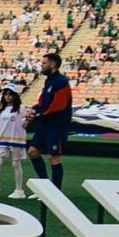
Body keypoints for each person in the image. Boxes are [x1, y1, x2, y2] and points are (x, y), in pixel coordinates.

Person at [27, 50, 73, 189]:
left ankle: (56, 191)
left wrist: (39, 115)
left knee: (54, 157)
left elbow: (59, 105)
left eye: (44, 63)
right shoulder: (49, 80)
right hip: (46, 123)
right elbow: (43, 101)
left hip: (57, 124)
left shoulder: (61, 81)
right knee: (32, 152)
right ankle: (45, 186)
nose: (42, 66)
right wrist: (34, 109)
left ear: (52, 64)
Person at [0, 82, 29, 197]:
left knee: (16, 163)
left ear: (15, 96)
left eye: (10, 94)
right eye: (6, 94)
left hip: (16, 139)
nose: (8, 96)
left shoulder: (21, 109)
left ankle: (19, 190)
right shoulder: (2, 109)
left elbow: (25, 123)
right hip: (2, 139)